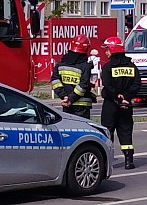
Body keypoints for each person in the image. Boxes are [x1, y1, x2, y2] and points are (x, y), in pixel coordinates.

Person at [100, 36, 141, 169]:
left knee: (107, 132)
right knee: (126, 132)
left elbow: (107, 86)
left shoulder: (107, 68)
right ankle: (129, 161)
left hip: (110, 105)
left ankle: (107, 162)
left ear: (112, 50)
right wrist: (126, 97)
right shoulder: (132, 66)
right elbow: (136, 85)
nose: (106, 53)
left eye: (107, 50)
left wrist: (117, 97)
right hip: (126, 105)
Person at [51, 34, 95, 119]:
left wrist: (64, 96)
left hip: (66, 103)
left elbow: (55, 81)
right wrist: (71, 99)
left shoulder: (60, 64)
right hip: (82, 106)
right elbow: (83, 85)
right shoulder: (85, 66)